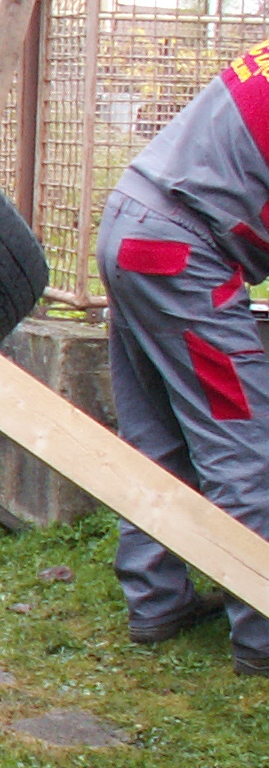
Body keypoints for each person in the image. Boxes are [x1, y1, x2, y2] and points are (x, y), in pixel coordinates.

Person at [95, 35, 269, 674]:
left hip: (134, 224)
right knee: (242, 443)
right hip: (181, 255)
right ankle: (262, 634)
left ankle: (156, 601)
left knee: (155, 436)